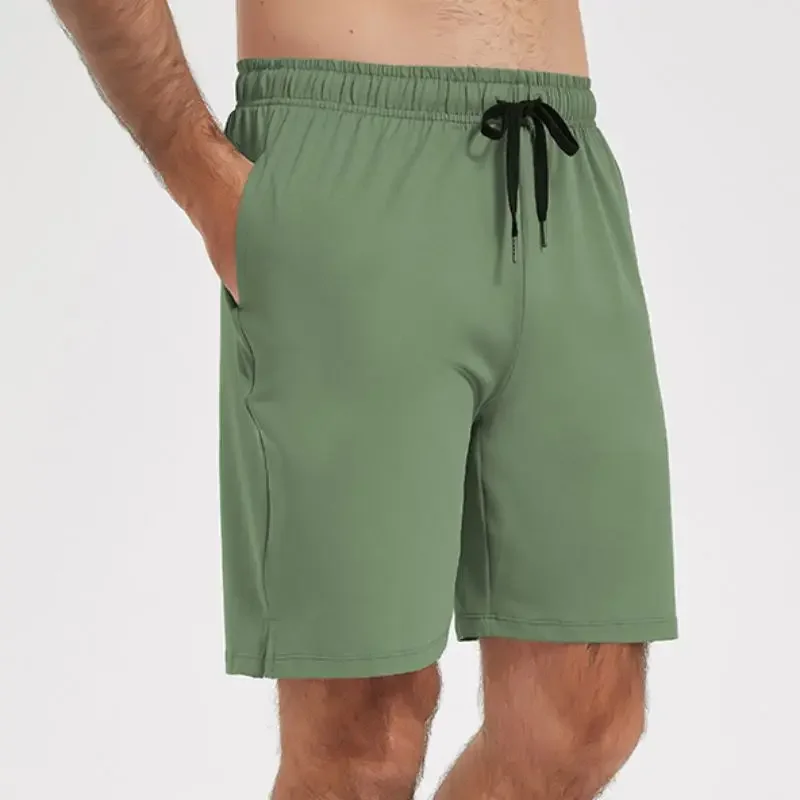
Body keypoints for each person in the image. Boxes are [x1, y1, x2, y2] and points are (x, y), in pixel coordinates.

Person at [49, 1, 677, 797]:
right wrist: (200, 172)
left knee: (583, 715)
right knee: (363, 735)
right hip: (347, 150)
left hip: (562, 162)